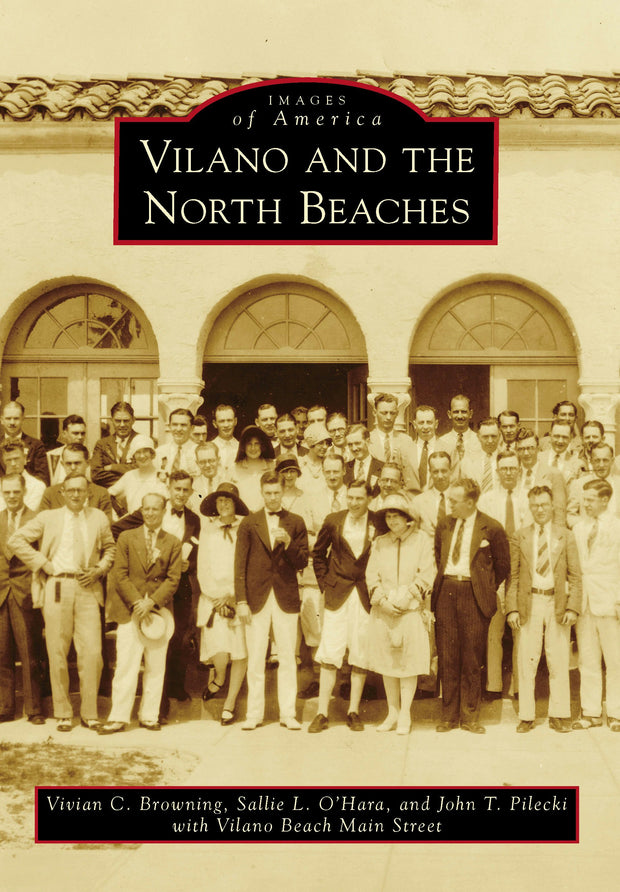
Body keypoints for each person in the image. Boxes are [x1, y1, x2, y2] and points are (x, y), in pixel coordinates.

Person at [9, 474, 116, 732]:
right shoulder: (49, 517)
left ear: (88, 492)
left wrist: (100, 569)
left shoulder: (98, 517)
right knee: (57, 651)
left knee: (93, 653)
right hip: (57, 586)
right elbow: (15, 540)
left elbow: (110, 549)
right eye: (71, 490)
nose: (76, 495)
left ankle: (89, 713)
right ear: (63, 493)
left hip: (88, 587)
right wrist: (43, 564)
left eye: (80, 490)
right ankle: (63, 712)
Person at [112, 470, 201, 719]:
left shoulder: (193, 520)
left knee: (172, 644)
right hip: (138, 595)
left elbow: (197, 551)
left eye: (185, 490)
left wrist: (189, 565)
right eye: (177, 488)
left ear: (190, 492)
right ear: (169, 489)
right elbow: (117, 534)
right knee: (133, 657)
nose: (181, 493)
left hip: (173, 591)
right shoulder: (146, 514)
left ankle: (163, 700)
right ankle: (150, 711)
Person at [99, 492, 182, 734]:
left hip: (158, 614)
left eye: (155, 509)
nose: (150, 513)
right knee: (126, 665)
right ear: (141, 510)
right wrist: (137, 602)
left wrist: (152, 602)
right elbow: (119, 574)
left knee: (156, 666)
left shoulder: (173, 542)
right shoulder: (126, 537)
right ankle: (118, 717)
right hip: (130, 611)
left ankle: (149, 716)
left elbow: (173, 579)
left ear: (163, 511)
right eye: (146, 509)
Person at [432, 477, 510, 733]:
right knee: (447, 656)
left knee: (472, 658)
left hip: (474, 595)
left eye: (454, 500)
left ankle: (469, 717)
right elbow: (439, 556)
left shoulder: (492, 527)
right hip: (446, 592)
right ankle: (448, 716)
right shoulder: (444, 524)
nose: (449, 504)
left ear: (470, 502)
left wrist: (483, 587)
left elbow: (502, 566)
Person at [234, 471, 309, 731]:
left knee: (287, 656)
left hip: (285, 596)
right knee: (255, 658)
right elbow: (239, 564)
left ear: (283, 492)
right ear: (261, 493)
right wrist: (241, 601)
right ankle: (254, 714)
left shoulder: (295, 522)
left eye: (277, 492)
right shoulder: (249, 523)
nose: (273, 497)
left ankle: (288, 713)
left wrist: (288, 543)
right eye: (268, 493)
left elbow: (303, 561)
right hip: (256, 598)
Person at [505, 485, 581, 733]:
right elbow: (513, 576)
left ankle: (558, 714)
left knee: (558, 659)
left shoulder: (565, 535)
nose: (539, 509)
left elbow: (575, 576)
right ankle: (527, 715)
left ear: (552, 506)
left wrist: (572, 607)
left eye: (544, 505)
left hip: (556, 603)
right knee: (527, 659)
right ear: (530, 507)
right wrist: (512, 609)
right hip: (530, 602)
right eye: (535, 505)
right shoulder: (520, 536)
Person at [309, 480, 377, 733]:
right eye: (350, 497)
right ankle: (322, 713)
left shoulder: (378, 522)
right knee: (330, 651)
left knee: (360, 651)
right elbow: (318, 554)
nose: (354, 503)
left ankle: (353, 711)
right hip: (337, 594)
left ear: (369, 499)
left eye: (359, 498)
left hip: (364, 595)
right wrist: (325, 584)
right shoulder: (333, 520)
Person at [367, 493, 434, 735]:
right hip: (385, 611)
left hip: (410, 610)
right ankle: (392, 712)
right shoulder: (380, 543)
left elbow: (427, 573)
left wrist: (407, 599)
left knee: (408, 663)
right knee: (388, 663)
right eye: (388, 516)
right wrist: (382, 602)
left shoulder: (421, 540)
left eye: (397, 516)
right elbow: (371, 575)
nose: (392, 520)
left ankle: (405, 713)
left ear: (407, 518)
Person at [196, 483, 250, 725]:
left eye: (228, 500)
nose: (224, 504)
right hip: (213, 599)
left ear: (236, 503)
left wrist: (233, 594)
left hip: (239, 596)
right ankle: (219, 677)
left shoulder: (246, 528)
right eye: (220, 501)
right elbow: (203, 567)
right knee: (219, 646)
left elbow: (249, 564)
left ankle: (230, 702)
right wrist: (216, 596)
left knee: (240, 650)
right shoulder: (208, 530)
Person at [478, 451, 529, 697]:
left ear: (519, 470)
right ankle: (494, 684)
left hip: (521, 570)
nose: (508, 472)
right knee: (494, 629)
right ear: (497, 472)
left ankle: (519, 686)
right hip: (496, 569)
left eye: (512, 468)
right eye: (504, 469)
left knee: (521, 629)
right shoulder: (486, 501)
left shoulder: (528, 498)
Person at [571, 479, 620, 732]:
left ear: (605, 500)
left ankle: (616, 713)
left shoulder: (617, 528)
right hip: (585, 603)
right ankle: (590, 712)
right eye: (584, 499)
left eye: (590, 499)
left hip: (611, 603)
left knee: (615, 660)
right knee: (588, 659)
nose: (585, 504)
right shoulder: (579, 528)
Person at [0, 475, 44, 725]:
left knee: (29, 652)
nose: (11, 496)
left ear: (24, 491)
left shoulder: (36, 519)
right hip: (0, 592)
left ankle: (34, 709)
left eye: (16, 491)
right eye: (7, 492)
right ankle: (5, 707)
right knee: (2, 652)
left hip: (25, 593)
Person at [39, 444, 112, 519]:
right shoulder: (50, 494)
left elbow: (106, 523)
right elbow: (41, 523)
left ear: (88, 463)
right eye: (68, 463)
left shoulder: (101, 494)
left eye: (77, 463)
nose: (73, 468)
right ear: (62, 464)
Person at [514, 427, 567, 525]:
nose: (526, 453)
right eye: (521, 449)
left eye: (530, 448)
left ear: (538, 449)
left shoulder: (554, 474)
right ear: (516, 451)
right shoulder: (513, 474)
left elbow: (559, 514)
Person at [368, 393, 419, 492]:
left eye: (392, 413)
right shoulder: (367, 440)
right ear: (374, 412)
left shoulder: (406, 441)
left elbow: (411, 475)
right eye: (384, 413)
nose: (388, 417)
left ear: (397, 413)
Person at [108, 434, 167, 515]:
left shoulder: (163, 475)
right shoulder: (129, 476)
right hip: (133, 521)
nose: (142, 456)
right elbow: (107, 495)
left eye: (145, 451)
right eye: (138, 452)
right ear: (134, 456)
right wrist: (119, 512)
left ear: (152, 454)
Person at [567, 442, 620, 526]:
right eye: (597, 460)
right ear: (591, 461)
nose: (601, 465)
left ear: (612, 461)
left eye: (605, 460)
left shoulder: (618, 483)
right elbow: (570, 515)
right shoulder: (578, 484)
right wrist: (586, 527)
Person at [90, 401, 139, 488]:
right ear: (111, 420)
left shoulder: (141, 441)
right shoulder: (102, 444)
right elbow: (96, 475)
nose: (122, 425)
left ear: (133, 420)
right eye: (118, 421)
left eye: (126, 420)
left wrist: (113, 467)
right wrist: (128, 479)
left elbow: (142, 470)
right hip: (108, 494)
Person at [0, 400, 49, 485]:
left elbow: (42, 478)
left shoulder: (36, 445)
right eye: (8, 418)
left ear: (23, 419)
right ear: (2, 420)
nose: (12, 422)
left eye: (16, 418)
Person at [231, 425, 276, 512]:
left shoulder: (272, 466)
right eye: (249, 444)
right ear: (243, 446)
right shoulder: (234, 469)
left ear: (262, 446)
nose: (253, 448)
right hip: (243, 515)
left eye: (256, 444)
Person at [411, 451, 452, 537]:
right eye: (435, 472)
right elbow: (412, 532)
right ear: (430, 472)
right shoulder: (418, 501)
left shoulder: (462, 498)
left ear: (450, 470)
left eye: (444, 471)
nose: (440, 476)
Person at [437, 394, 481, 470]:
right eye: (456, 412)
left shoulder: (480, 441)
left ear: (470, 414)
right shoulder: (441, 442)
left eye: (463, 412)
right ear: (449, 414)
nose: (460, 416)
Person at [155, 408, 200, 481]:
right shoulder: (159, 452)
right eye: (175, 424)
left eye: (183, 425)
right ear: (169, 426)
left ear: (192, 428)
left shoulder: (198, 452)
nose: (178, 429)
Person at [0, 442, 46, 512]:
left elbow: (27, 513)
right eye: (8, 460)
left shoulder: (37, 486)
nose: (13, 464)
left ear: (24, 458)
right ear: (3, 461)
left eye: (16, 459)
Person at [461, 418, 502, 492]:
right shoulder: (468, 461)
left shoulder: (507, 458)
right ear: (478, 437)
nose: (490, 441)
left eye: (493, 436)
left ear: (499, 435)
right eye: (485, 437)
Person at [47, 414, 88, 485]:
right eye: (75, 433)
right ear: (64, 434)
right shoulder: (52, 456)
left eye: (82, 433)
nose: (80, 437)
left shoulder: (91, 457)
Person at [344, 423, 384, 497]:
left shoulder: (382, 468)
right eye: (350, 444)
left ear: (367, 442)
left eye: (357, 443)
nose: (354, 448)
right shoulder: (344, 469)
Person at [411, 405, 440, 491]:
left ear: (436, 424)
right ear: (415, 425)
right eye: (421, 422)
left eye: (429, 422)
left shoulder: (449, 449)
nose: (425, 427)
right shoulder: (405, 450)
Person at [188, 441, 222, 514]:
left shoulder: (228, 482)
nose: (207, 465)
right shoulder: (191, 486)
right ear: (197, 463)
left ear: (218, 460)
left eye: (211, 460)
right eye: (202, 462)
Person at [299, 423, 333, 494]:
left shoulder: (329, 463)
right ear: (311, 444)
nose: (325, 447)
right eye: (321, 443)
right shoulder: (300, 463)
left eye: (327, 443)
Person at [211, 404, 239, 480]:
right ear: (215, 424)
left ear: (235, 421)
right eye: (222, 421)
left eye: (229, 420)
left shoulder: (242, 447)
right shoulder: (210, 448)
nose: (226, 425)